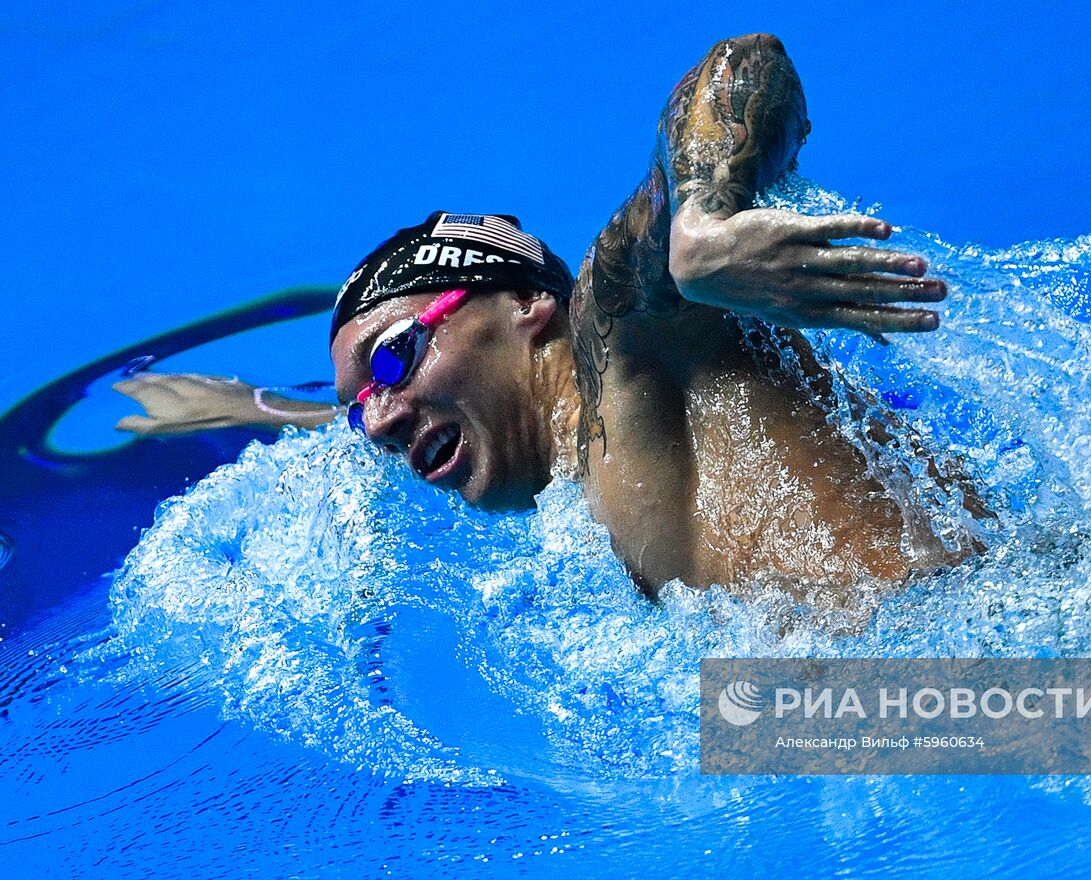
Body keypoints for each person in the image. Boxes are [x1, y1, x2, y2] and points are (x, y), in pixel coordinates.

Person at [116, 34, 990, 611]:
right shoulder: (565, 464)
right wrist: (253, 408)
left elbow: (741, 64)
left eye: (393, 361)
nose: (377, 423)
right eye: (360, 409)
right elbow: (375, 418)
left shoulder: (625, 346)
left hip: (992, 693)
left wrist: (700, 220)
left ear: (531, 308)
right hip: (889, 711)